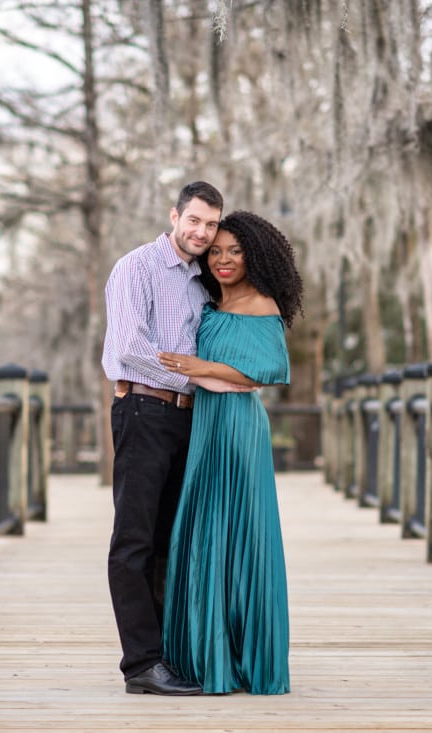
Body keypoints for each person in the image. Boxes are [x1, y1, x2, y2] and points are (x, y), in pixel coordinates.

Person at [102, 181, 253, 696]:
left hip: (190, 420)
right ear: (174, 216)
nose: (202, 232)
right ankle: (141, 665)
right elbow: (130, 347)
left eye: (211, 224)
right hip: (143, 409)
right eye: (195, 221)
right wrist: (201, 378)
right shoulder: (137, 267)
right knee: (135, 541)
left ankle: (170, 655)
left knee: (172, 541)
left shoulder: (201, 281)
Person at [157, 210, 304, 695]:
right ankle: (205, 657)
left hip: (239, 428)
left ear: (254, 255)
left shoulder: (262, 304)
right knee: (203, 532)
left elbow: (266, 372)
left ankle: (244, 658)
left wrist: (201, 364)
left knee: (240, 534)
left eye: (234, 251)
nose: (222, 259)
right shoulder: (210, 302)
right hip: (205, 425)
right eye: (215, 251)